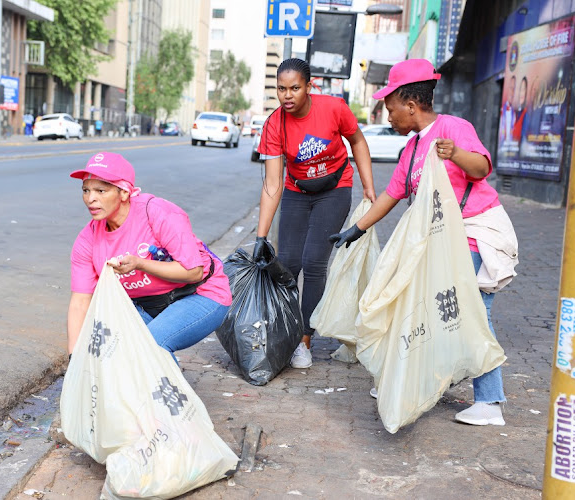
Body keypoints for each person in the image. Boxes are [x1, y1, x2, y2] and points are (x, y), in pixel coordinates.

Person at [330, 58, 513, 426]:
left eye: (391, 108)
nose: (389, 116)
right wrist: (357, 229)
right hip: (442, 241)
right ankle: (412, 381)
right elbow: (392, 195)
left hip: (476, 232)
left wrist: (455, 153)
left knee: (475, 310)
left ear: (410, 105)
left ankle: (490, 403)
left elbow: (480, 168)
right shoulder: (411, 150)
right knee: (423, 305)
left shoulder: (453, 128)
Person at [255, 58, 376, 369]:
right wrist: (260, 236)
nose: (287, 95)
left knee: (313, 262)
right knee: (288, 263)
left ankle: (303, 340)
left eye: (295, 88)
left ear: (309, 87)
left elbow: (358, 141)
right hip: (297, 192)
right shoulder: (274, 125)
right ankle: (283, 330)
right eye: (281, 89)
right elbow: (272, 185)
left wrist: (368, 186)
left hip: (334, 190)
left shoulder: (334, 108)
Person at [67, 152, 232, 361]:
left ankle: (165, 390)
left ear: (124, 192)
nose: (91, 199)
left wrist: (140, 264)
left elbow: (194, 272)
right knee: (106, 348)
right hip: (147, 305)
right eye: (86, 190)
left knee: (150, 345)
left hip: (200, 294)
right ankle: (160, 387)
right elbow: (81, 301)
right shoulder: (87, 239)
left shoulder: (157, 212)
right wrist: (74, 357)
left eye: (101, 190)